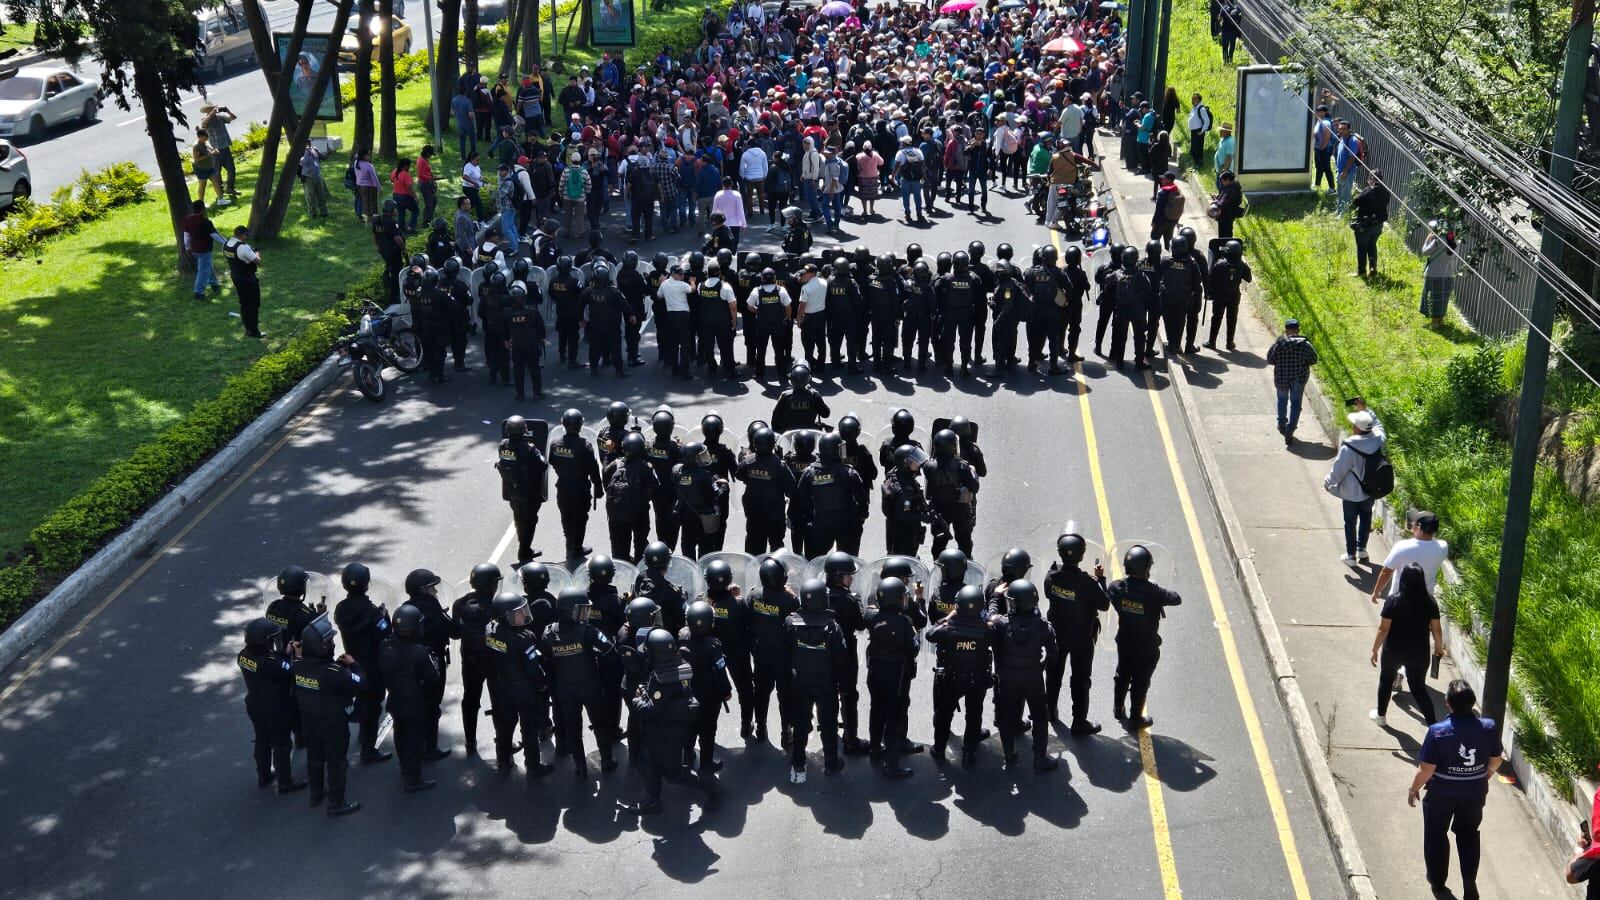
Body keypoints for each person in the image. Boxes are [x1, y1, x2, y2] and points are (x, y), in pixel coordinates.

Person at [1409, 680, 1503, 900]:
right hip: (1474, 794)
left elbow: (1426, 770)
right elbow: (1496, 760)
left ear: (1448, 703)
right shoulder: (1488, 727)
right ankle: (1469, 884)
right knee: (1468, 835)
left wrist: (1414, 789)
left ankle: (1438, 882)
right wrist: (1484, 775)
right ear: (1472, 703)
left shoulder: (1437, 732)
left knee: (1436, 834)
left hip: (1441, 794)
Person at [541, 587, 619, 779]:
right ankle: (607, 761)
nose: (586, 614)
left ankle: (580, 767)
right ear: (571, 610)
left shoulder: (549, 633)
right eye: (582, 609)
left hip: (565, 690)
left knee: (572, 727)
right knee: (600, 723)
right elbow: (610, 651)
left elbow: (546, 662)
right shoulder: (588, 631)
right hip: (590, 687)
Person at [290, 617, 364, 816]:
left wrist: (297, 654)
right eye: (330, 641)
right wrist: (353, 664)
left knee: (314, 758)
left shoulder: (297, 666)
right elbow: (359, 683)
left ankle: (316, 793)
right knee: (336, 763)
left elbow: (296, 662)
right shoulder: (333, 671)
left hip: (309, 721)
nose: (332, 644)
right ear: (322, 646)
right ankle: (336, 803)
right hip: (333, 724)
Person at [784, 579, 850, 783]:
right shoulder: (832, 627)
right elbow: (841, 661)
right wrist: (843, 686)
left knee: (801, 724)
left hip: (800, 683)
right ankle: (830, 763)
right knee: (828, 724)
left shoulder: (790, 623)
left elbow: (785, 654)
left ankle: (798, 764)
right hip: (826, 684)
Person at [485, 592, 556, 779]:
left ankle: (503, 761)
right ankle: (533, 766)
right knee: (529, 729)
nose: (523, 615)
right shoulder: (524, 638)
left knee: (504, 728)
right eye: (517, 613)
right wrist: (542, 685)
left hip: (500, 689)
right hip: (522, 690)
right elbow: (534, 667)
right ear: (505, 616)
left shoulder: (490, 630)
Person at [1043, 533, 1110, 734]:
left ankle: (1050, 711)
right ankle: (1079, 722)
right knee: (1080, 680)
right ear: (1081, 555)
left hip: (1056, 635)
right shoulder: (1087, 583)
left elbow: (1047, 593)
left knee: (1053, 674)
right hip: (1081, 638)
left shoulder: (1051, 576)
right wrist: (1101, 580)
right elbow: (1104, 604)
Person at [990, 580, 1059, 773]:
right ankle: (1040, 758)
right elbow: (1053, 654)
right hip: (1033, 678)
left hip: (1008, 677)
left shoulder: (1002, 623)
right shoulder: (1043, 626)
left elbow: (990, 616)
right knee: (1039, 717)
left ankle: (1009, 755)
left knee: (1006, 717)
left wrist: (996, 596)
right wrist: (1040, 667)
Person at [1108, 545, 1182, 728]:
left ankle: (1118, 708)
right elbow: (1176, 598)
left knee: (1122, 674)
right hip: (1146, 645)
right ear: (1146, 569)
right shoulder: (1154, 592)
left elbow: (1108, 593)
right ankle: (1136, 717)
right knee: (1141, 680)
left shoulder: (1117, 587)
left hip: (1124, 639)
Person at [924, 584, 991, 767]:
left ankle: (939, 749)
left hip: (952, 678)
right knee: (974, 714)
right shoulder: (987, 630)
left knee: (944, 714)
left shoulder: (949, 627)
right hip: (977, 679)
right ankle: (969, 753)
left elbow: (930, 635)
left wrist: (948, 617)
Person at [236, 618, 306, 793]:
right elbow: (293, 671)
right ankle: (285, 782)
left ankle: (263, 775)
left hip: (255, 704)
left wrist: (284, 652)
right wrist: (297, 656)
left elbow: (271, 664)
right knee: (282, 744)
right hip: (275, 708)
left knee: (262, 740)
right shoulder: (271, 662)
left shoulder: (243, 655)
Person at [332, 562, 392, 764]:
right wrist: (386, 617)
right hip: (373, 666)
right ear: (366, 584)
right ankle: (369, 750)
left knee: (362, 699)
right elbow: (384, 631)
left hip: (352, 662)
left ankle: (362, 731)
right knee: (373, 707)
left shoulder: (341, 609)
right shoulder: (372, 612)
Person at [1369, 564, 1444, 727]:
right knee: (1418, 688)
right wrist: (1438, 647)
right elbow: (1436, 630)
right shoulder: (1430, 602)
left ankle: (1381, 716)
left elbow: (1383, 629)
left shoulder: (1393, 600)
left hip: (1393, 651)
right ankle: (1433, 726)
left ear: (1403, 579)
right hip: (1419, 653)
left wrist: (1374, 649)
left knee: (1386, 680)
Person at [380, 605, 442, 793]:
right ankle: (413, 780)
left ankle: (405, 767)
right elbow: (434, 678)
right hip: (415, 703)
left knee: (400, 734)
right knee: (414, 741)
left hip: (395, 699)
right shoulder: (420, 652)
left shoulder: (385, 646)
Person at [399, 568, 456, 760]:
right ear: (423, 590)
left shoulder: (407, 608)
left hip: (409, 666)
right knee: (432, 706)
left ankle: (415, 744)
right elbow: (454, 631)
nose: (436, 592)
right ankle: (430, 748)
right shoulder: (433, 607)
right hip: (433, 663)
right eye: (433, 588)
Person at [1324, 408, 1387, 565]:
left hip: (1351, 494)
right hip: (1370, 491)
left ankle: (1351, 556)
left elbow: (1338, 471)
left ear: (1357, 428)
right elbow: (1379, 426)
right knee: (1366, 518)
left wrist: (1328, 483)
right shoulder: (1378, 440)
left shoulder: (1349, 448)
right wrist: (1367, 410)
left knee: (1350, 523)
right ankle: (1362, 549)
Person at [679, 600, 732, 775]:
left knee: (689, 727)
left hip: (687, 693)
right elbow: (720, 671)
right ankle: (706, 765)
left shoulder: (682, 637)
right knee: (708, 732)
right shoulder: (713, 645)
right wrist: (726, 691)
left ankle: (687, 757)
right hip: (709, 696)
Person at [548, 409, 604, 561]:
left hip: (563, 486)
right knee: (580, 518)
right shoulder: (584, 446)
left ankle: (569, 542)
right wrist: (598, 487)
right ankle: (577, 548)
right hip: (580, 488)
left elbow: (552, 462)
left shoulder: (554, 444)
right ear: (580, 425)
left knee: (566, 516)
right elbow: (593, 470)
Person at [496, 416, 547, 565]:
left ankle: (523, 548)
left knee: (518, 518)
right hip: (528, 492)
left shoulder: (503, 445)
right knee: (530, 521)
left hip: (511, 491)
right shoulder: (529, 449)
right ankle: (525, 551)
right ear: (524, 431)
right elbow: (542, 465)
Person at [603, 432, 660, 562]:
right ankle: (640, 568)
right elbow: (656, 488)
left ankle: (621, 570)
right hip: (639, 513)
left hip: (616, 514)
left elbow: (605, 481)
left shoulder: (615, 464)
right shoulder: (646, 467)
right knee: (640, 542)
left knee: (618, 546)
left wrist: (609, 453)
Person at [923, 429, 979, 557]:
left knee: (939, 542)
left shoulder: (928, 467)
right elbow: (974, 487)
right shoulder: (963, 467)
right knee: (964, 543)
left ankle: (938, 566)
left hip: (938, 509)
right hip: (960, 509)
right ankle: (964, 566)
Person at [1371, 510, 1450, 602]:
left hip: (1398, 600)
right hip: (1424, 601)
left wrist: (1376, 591)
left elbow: (1386, 572)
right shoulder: (1443, 547)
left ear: (1419, 527)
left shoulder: (1402, 546)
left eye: (1414, 522)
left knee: (1388, 617)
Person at [1266, 318, 1318, 447]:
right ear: (1298, 330)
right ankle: (1291, 428)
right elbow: (1314, 359)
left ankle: (1282, 423)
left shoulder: (1279, 344)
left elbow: (1270, 359)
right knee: (1295, 404)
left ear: (1286, 331)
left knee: (1282, 400)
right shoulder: (1306, 345)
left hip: (1281, 378)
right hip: (1298, 380)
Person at [1204, 239, 1253, 350]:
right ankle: (1229, 343)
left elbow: (1211, 279)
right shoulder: (1242, 265)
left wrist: (1209, 293)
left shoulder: (1220, 264)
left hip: (1220, 295)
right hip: (1234, 296)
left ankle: (1212, 342)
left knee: (1216, 318)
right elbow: (1249, 279)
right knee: (1232, 319)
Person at [221, 226, 263, 338]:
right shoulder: (243, 247)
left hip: (236, 276)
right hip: (248, 278)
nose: (246, 238)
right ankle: (253, 331)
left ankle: (247, 329)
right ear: (243, 235)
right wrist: (257, 252)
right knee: (253, 304)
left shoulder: (226, 244)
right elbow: (257, 261)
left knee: (244, 303)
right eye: (246, 236)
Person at [181, 200, 225, 302]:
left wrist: (187, 248)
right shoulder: (205, 221)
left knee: (207, 265)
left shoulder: (188, 219)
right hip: (204, 249)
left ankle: (214, 284)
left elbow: (186, 235)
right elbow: (214, 235)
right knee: (203, 271)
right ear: (202, 210)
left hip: (194, 249)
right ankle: (198, 292)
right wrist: (225, 243)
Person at [1351, 169, 1391, 277]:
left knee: (1362, 247)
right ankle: (1373, 268)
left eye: (1369, 178)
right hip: (1378, 225)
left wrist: (1366, 189)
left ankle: (1362, 272)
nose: (1368, 181)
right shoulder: (1386, 192)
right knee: (1372, 245)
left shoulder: (1369, 190)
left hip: (1365, 225)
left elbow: (1356, 201)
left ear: (1372, 179)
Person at [1420, 222, 1459, 327]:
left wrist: (1428, 239)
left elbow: (1425, 252)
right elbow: (1455, 261)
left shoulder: (1438, 241)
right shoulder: (1455, 242)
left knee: (1433, 299)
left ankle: (1434, 324)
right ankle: (1440, 322)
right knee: (1443, 300)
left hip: (1435, 275)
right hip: (1449, 276)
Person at [199, 103, 239, 197]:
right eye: (210, 109)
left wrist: (227, 110)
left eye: (213, 108)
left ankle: (230, 188)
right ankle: (220, 191)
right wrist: (212, 113)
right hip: (215, 151)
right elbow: (203, 124)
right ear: (206, 111)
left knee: (231, 169)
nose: (213, 109)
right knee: (217, 172)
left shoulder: (220, 118)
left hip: (225, 148)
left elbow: (233, 118)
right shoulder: (205, 120)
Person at [372, 200, 407, 302]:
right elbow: (397, 238)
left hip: (384, 250)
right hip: (393, 251)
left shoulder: (377, 220)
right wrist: (404, 249)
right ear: (391, 210)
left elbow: (375, 235)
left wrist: (378, 247)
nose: (396, 211)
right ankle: (394, 296)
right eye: (395, 209)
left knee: (390, 267)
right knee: (396, 273)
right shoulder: (392, 222)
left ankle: (386, 278)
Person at [191, 130, 225, 208]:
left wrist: (214, 150)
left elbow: (210, 149)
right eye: (205, 136)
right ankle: (201, 203)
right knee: (203, 185)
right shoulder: (196, 146)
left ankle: (221, 200)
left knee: (216, 181)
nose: (207, 137)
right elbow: (196, 159)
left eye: (207, 135)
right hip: (201, 168)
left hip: (209, 167)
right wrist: (210, 154)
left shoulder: (205, 142)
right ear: (200, 137)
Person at [1333, 120, 1362, 214]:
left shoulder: (1352, 140)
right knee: (1340, 192)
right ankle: (1338, 210)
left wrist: (1345, 172)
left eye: (1343, 129)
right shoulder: (1342, 139)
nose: (1340, 131)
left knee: (1345, 194)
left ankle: (1344, 213)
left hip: (1347, 172)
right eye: (1340, 129)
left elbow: (1351, 158)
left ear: (1349, 130)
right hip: (1340, 170)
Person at [298, 143, 329, 217]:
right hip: (308, 177)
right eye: (306, 144)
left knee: (321, 195)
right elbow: (303, 162)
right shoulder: (301, 152)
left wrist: (328, 153)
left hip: (317, 176)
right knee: (310, 196)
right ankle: (312, 213)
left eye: (309, 143)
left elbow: (322, 157)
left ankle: (324, 212)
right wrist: (307, 153)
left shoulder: (314, 150)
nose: (308, 145)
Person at [1213, 170, 1244, 239]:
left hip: (1226, 216)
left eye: (1222, 180)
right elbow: (1225, 198)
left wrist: (1216, 201)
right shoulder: (1231, 187)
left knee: (1225, 236)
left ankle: (1226, 248)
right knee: (1226, 234)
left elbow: (1223, 204)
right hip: (1228, 215)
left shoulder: (1232, 190)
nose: (1222, 182)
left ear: (1227, 180)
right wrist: (1218, 197)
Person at [352, 148, 381, 222]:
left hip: (359, 186)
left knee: (364, 202)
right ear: (363, 156)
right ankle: (371, 219)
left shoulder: (356, 163)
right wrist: (379, 188)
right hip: (369, 187)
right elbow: (375, 178)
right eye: (368, 154)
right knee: (371, 203)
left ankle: (363, 216)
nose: (370, 156)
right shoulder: (369, 166)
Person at [1186, 93, 1214, 168]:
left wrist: (1202, 131)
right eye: (1192, 99)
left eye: (1194, 99)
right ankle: (1196, 163)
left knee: (1197, 148)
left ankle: (1199, 164)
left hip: (1199, 131)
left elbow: (1207, 121)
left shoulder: (1201, 109)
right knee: (1194, 148)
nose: (1192, 100)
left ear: (1199, 100)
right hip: (1194, 131)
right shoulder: (1194, 108)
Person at [417, 145, 438, 224]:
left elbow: (426, 171)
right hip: (424, 184)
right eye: (431, 154)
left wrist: (431, 176)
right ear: (427, 153)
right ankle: (426, 222)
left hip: (428, 183)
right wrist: (431, 178)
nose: (431, 156)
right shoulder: (422, 161)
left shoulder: (424, 160)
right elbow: (420, 175)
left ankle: (429, 218)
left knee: (434, 200)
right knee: (429, 203)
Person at [1212, 122, 1235, 188]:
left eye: (1222, 130)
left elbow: (1229, 158)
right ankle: (1220, 197)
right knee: (1218, 185)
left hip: (1224, 170)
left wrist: (1223, 170)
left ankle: (1223, 198)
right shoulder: (1223, 139)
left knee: (1223, 188)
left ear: (1227, 132)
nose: (1220, 132)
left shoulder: (1230, 142)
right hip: (1219, 168)